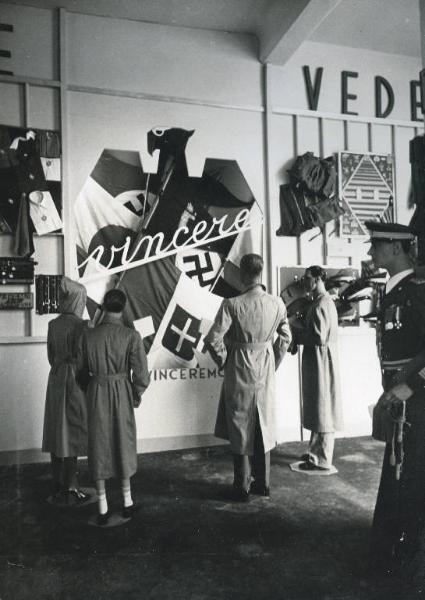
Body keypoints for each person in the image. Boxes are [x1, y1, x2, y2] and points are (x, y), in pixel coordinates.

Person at [206, 253, 292, 501]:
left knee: (239, 425)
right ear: (261, 273)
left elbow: (213, 339)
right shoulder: (277, 304)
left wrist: (225, 361)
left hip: (239, 367)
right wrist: (273, 361)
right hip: (265, 368)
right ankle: (263, 484)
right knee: (263, 424)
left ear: (243, 274)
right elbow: (286, 338)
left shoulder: (232, 304)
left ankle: (241, 486)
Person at [366, 221, 425, 576]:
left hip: (417, 400)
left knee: (411, 474)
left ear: (397, 249)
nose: (372, 252)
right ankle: (396, 546)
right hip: (400, 398)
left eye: (377, 245)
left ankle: (407, 550)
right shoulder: (394, 291)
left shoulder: (417, 291)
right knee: (400, 472)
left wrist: (411, 386)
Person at [77, 289, 150, 526]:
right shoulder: (131, 336)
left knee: (98, 443)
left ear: (104, 306)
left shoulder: (88, 336)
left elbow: (80, 372)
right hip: (121, 390)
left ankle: (102, 506)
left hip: (97, 390)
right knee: (123, 441)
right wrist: (135, 394)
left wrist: (91, 389)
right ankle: (128, 503)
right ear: (123, 307)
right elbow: (141, 375)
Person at [42, 276, 90, 504]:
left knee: (55, 428)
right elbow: (83, 358)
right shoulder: (82, 325)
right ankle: (72, 484)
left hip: (56, 379)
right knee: (72, 430)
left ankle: (57, 482)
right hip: (75, 381)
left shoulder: (53, 324)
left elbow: (51, 357)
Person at [293, 266, 342, 471]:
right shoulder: (321, 301)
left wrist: (297, 334)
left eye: (307, 278)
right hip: (319, 359)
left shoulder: (322, 303)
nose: (305, 281)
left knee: (323, 407)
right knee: (318, 405)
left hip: (321, 359)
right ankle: (315, 451)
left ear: (318, 279)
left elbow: (319, 337)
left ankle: (321, 459)